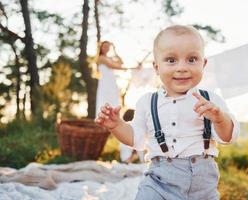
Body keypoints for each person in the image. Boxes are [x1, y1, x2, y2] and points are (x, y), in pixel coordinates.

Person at [95, 25, 240, 200]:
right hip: (159, 180)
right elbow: (137, 139)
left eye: (192, 59)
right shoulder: (147, 102)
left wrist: (219, 119)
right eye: (171, 60)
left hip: (201, 183)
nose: (182, 67)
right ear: (156, 67)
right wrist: (117, 125)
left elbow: (227, 137)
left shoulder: (210, 101)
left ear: (204, 63)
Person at [95, 41, 141, 114]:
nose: (106, 48)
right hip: (105, 82)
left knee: (113, 99)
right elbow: (114, 66)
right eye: (104, 46)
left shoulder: (110, 58)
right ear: (101, 48)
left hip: (112, 82)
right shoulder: (101, 58)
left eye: (108, 46)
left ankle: (113, 117)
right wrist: (133, 68)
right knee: (106, 98)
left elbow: (121, 62)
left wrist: (115, 51)